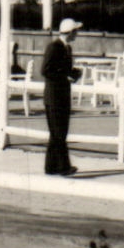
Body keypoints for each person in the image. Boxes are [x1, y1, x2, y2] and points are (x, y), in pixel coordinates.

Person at [41, 17, 83, 176]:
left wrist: (73, 74)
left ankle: (51, 167)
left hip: (62, 95)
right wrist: (65, 76)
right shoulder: (54, 47)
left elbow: (61, 70)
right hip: (54, 96)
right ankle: (63, 167)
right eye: (76, 31)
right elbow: (46, 70)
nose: (77, 34)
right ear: (70, 32)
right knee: (59, 133)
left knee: (58, 133)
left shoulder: (66, 48)